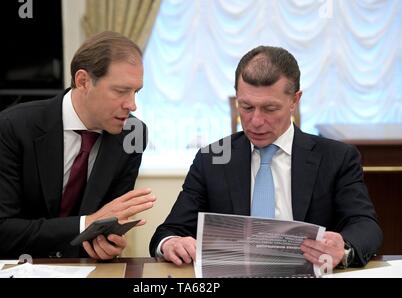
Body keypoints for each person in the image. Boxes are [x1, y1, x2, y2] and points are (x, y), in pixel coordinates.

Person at [149, 46, 382, 269]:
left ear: (294, 100)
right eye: (246, 107)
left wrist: (343, 251)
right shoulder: (212, 159)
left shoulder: (337, 158)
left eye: (270, 109)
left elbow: (366, 227)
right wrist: (171, 244)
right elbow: (169, 231)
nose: (256, 121)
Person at [0, 31, 155, 260]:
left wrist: (106, 242)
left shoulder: (132, 134)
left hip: (77, 267)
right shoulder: (13, 126)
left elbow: (107, 221)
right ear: (83, 81)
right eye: (121, 91)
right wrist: (85, 224)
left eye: (136, 92)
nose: (132, 105)